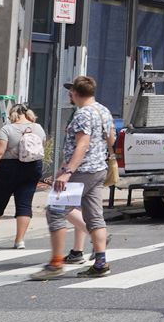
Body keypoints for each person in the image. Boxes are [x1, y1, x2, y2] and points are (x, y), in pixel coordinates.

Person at [34, 76, 116, 280]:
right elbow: (111, 138)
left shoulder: (82, 114)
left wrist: (67, 171)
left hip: (81, 171)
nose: (69, 95)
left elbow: (82, 144)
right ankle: (100, 263)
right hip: (98, 168)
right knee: (94, 216)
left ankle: (55, 263)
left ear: (75, 93)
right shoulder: (103, 110)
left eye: (70, 92)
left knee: (55, 211)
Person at [0, 105, 46, 250]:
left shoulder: (7, 129)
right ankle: (19, 240)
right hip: (32, 167)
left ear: (13, 114)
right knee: (25, 204)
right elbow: (41, 146)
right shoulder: (38, 128)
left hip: (8, 168)